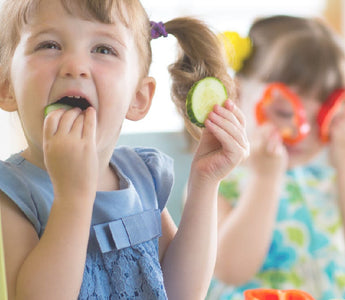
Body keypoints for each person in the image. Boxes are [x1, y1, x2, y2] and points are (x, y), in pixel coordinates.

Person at [0, 1, 250, 299]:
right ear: (6, 86)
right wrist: (72, 198)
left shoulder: (142, 176)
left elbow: (181, 293)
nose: (75, 66)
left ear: (139, 98)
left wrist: (205, 183)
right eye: (50, 45)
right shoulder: (11, 192)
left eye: (103, 49)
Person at [206, 15, 345, 300]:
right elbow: (229, 269)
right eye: (284, 112)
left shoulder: (327, 176)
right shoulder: (218, 176)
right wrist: (265, 178)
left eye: (321, 118)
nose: (302, 133)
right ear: (237, 92)